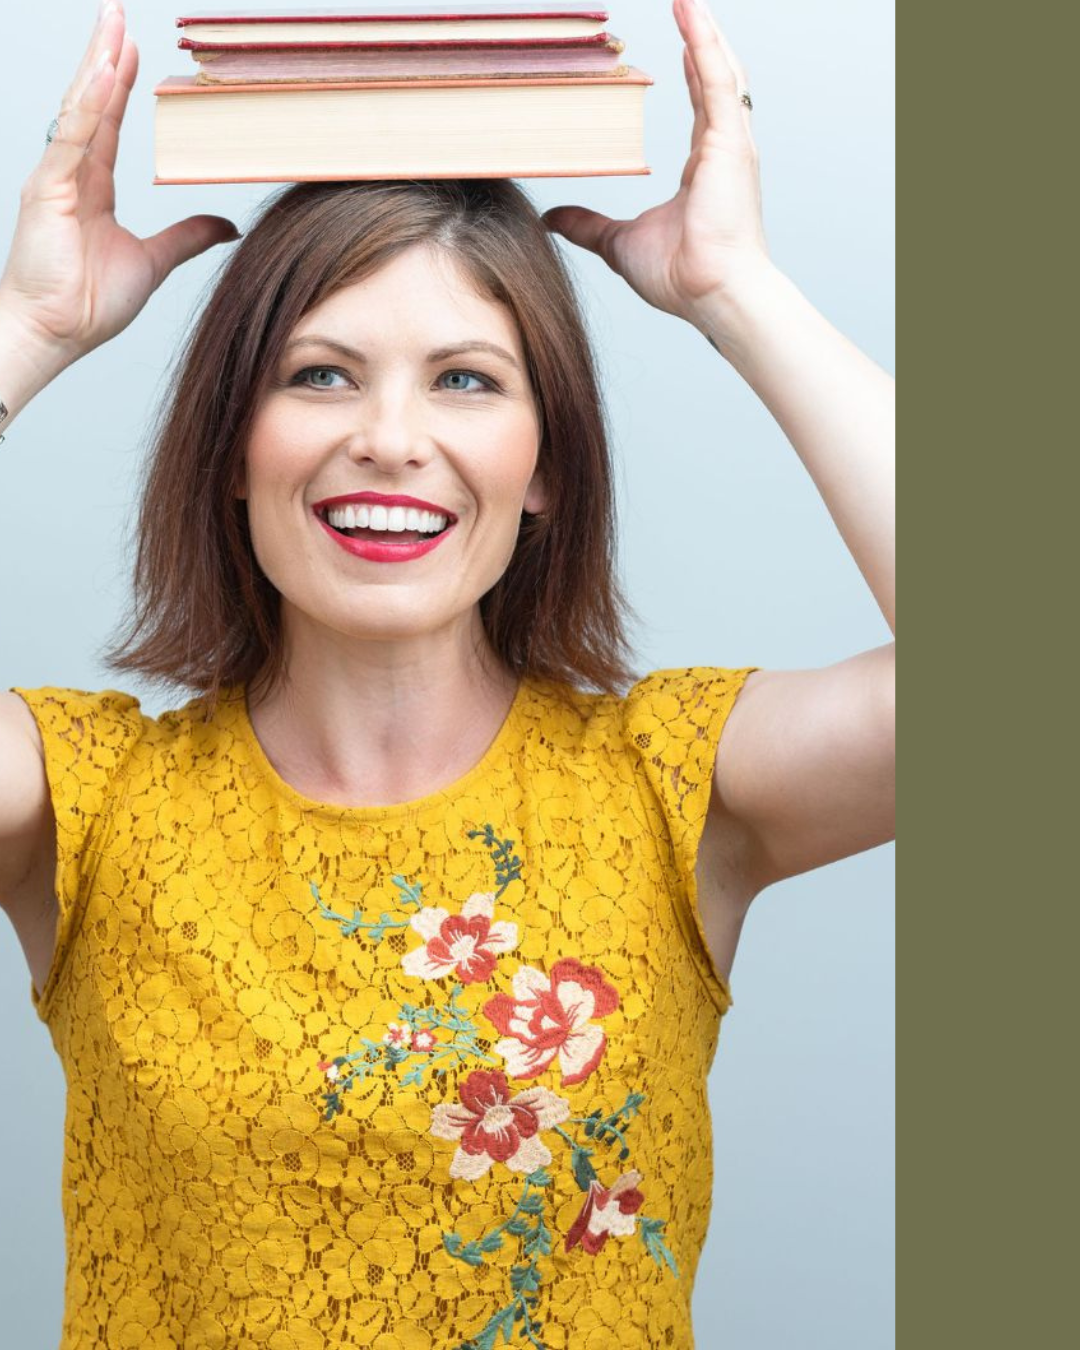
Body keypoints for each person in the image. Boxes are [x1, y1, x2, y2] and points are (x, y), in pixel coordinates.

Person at [0, 0, 894, 1347]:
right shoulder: (82, 802)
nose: (390, 437)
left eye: (466, 382)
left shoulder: (678, 787)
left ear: (547, 466)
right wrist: (25, 329)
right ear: (231, 443)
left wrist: (738, 294)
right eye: (320, 375)